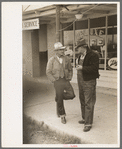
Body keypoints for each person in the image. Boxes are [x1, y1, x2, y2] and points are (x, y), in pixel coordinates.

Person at [46, 42, 75, 124]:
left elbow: (70, 69)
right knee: (60, 100)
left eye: (63, 49)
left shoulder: (66, 59)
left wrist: (69, 77)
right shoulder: (51, 60)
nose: (63, 51)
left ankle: (58, 98)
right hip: (57, 81)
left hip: (65, 80)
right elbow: (48, 72)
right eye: (60, 50)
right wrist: (54, 80)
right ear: (56, 51)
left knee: (71, 95)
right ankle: (62, 116)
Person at [75, 39, 100, 132]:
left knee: (88, 102)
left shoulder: (93, 55)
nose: (77, 50)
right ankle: (84, 118)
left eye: (78, 48)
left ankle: (88, 123)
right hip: (80, 80)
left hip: (89, 81)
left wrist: (82, 68)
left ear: (83, 47)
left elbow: (94, 68)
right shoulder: (80, 55)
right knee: (82, 99)